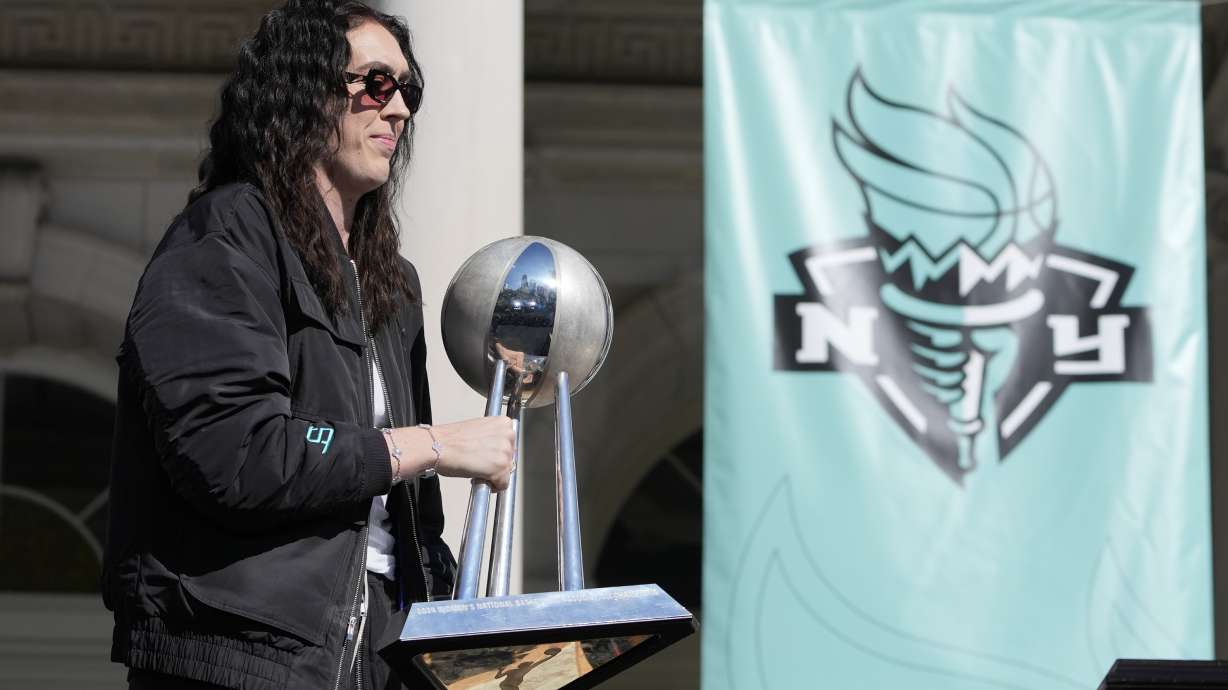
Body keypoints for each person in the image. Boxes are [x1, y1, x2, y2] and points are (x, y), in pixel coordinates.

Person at [102, 2, 516, 688]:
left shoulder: (391, 284)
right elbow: (238, 450)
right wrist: (432, 445)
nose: (398, 109)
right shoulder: (227, 236)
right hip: (246, 658)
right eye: (375, 83)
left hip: (375, 653)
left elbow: (406, 526)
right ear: (304, 92)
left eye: (408, 91)